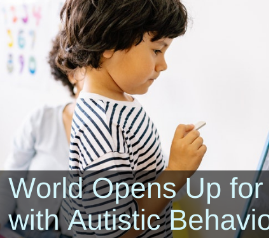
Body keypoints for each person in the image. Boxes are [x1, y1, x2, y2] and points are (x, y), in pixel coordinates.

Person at [57, 0, 207, 237]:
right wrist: (176, 171)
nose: (163, 65)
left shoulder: (118, 102)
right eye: (157, 50)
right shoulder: (102, 125)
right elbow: (119, 231)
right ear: (110, 43)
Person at [0, 34, 83, 238]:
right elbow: (10, 182)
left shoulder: (118, 137)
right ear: (72, 74)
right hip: (19, 230)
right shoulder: (41, 120)